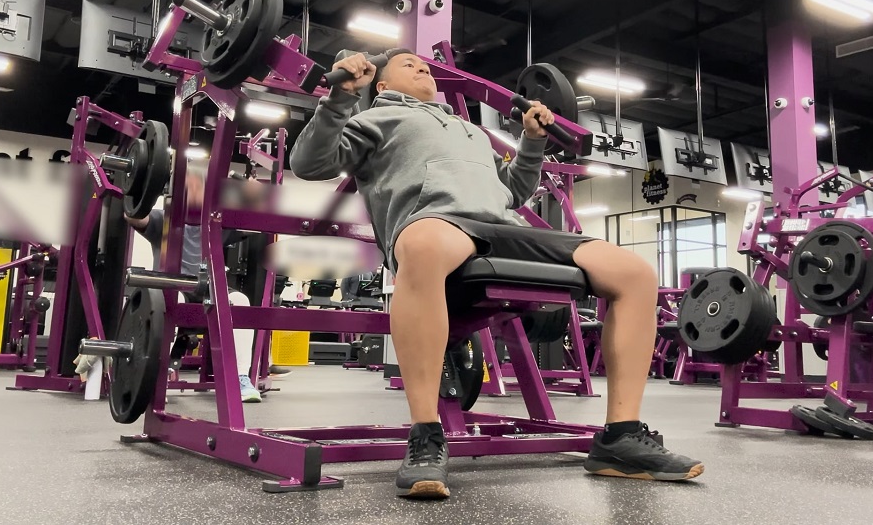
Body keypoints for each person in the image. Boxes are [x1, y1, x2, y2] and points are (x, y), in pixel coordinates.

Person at [290, 49, 704, 499]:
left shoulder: (471, 132)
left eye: (423, 64)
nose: (422, 68)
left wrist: (530, 142)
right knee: (423, 247)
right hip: (437, 224)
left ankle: (620, 437)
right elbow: (310, 164)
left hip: (505, 227)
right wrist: (340, 96)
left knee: (634, 272)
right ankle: (426, 435)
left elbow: (513, 194)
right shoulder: (372, 119)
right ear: (383, 86)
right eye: (407, 65)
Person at [126, 170, 269, 402]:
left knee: (240, 302)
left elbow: (256, 223)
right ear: (177, 191)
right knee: (173, 303)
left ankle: (240, 378)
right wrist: (141, 184)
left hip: (207, 289)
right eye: (189, 186)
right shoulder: (162, 220)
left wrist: (254, 195)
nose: (195, 191)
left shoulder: (216, 224)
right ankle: (154, 376)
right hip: (173, 287)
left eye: (200, 187)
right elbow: (132, 216)